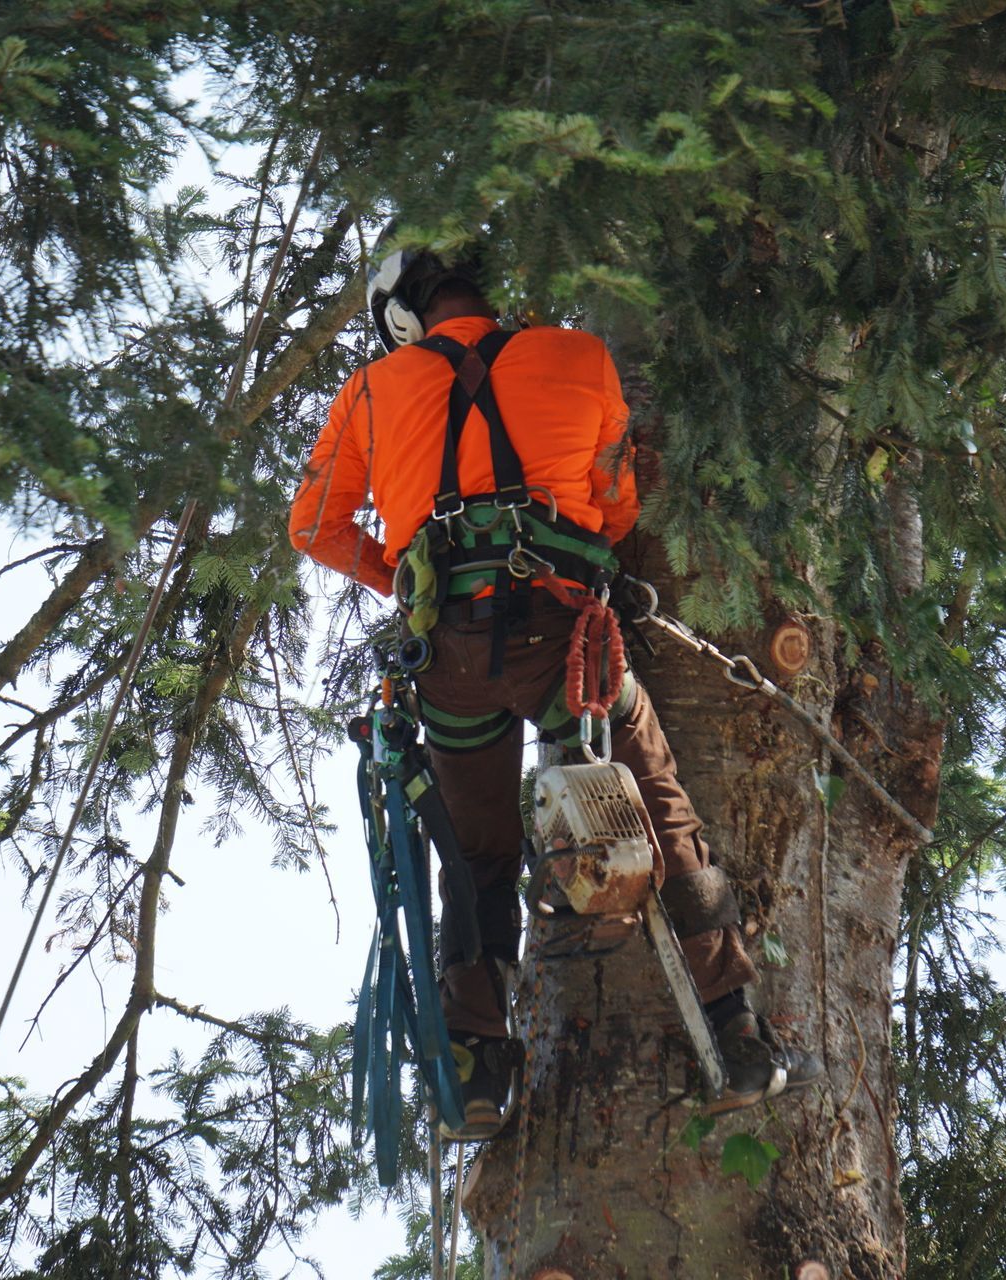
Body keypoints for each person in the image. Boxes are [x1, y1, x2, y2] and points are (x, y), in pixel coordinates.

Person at [289, 242, 821, 1140]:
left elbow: (314, 526)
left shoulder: (373, 391)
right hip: (565, 641)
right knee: (659, 803)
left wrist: (414, 579)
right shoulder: (580, 356)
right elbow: (615, 509)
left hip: (448, 660)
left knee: (476, 856)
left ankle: (479, 1071)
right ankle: (735, 1029)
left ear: (405, 316)